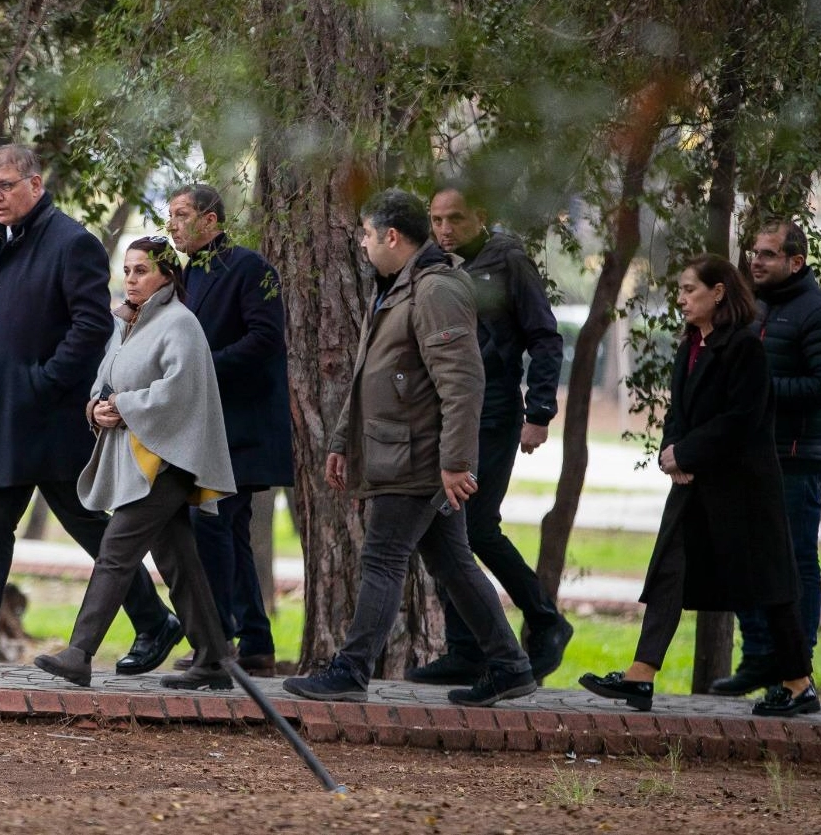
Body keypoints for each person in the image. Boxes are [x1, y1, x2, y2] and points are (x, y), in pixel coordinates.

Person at [0, 147, 182, 673]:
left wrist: (43, 382)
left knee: (85, 522)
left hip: (48, 420)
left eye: (7, 185)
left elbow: (91, 325)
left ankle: (155, 621)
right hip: (6, 416)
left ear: (35, 185)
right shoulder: (2, 242)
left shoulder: (70, 241)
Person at [282, 189, 537, 707]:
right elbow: (368, 376)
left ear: (391, 236)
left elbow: (462, 384)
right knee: (452, 561)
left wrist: (456, 463)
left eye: (367, 234)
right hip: (401, 450)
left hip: (417, 456)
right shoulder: (399, 287)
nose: (362, 242)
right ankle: (510, 665)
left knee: (382, 558)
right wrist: (340, 443)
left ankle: (351, 671)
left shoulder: (435, 289)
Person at [580, 255, 818, 717]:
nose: (682, 298)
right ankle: (641, 675)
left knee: (769, 583)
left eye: (691, 289)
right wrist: (672, 452)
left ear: (719, 292)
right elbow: (679, 413)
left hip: (743, 489)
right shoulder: (691, 342)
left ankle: (798, 683)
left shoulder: (744, 347)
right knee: (669, 570)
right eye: (681, 290)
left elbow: (742, 419)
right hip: (695, 485)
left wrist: (686, 454)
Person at [35, 237, 238, 690]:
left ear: (166, 276)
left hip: (165, 462)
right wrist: (96, 409)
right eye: (126, 269)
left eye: (141, 270)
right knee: (179, 560)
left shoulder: (180, 324)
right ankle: (214, 658)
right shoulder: (128, 325)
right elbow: (105, 382)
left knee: (115, 551)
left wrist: (122, 405)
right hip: (139, 459)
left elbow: (177, 392)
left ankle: (79, 652)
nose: (130, 278)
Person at [409, 187, 572, 686]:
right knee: (446, 528)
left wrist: (539, 410)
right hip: (447, 411)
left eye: (454, 218)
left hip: (496, 409)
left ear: (480, 215)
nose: (444, 228)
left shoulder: (508, 261)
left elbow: (545, 337)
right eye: (436, 219)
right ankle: (465, 651)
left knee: (476, 528)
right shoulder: (432, 263)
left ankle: (545, 620)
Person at [710, 221, 821, 695]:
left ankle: (797, 669)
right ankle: (760, 657)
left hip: (796, 457)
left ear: (796, 261)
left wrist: (760, 392)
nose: (756, 260)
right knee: (746, 557)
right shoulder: (752, 308)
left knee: (793, 560)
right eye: (754, 252)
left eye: (768, 254)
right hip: (748, 454)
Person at [163, 183, 294, 678]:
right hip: (206, 427)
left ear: (211, 221)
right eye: (170, 215)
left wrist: (202, 366)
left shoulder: (250, 267)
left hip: (242, 426)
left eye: (181, 214)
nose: (172, 224)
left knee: (211, 526)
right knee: (229, 531)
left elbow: (265, 339)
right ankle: (256, 643)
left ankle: (216, 643)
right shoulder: (186, 275)